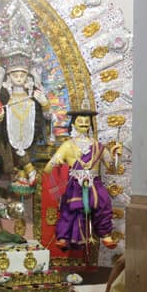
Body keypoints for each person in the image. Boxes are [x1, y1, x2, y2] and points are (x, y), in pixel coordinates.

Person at [43, 105, 122, 249]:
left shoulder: (98, 146)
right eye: (80, 121)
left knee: (103, 201)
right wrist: (57, 162)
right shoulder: (67, 146)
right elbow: (47, 168)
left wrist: (115, 155)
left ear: (91, 125)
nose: (84, 124)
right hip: (76, 185)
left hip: (95, 183)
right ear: (73, 124)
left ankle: (105, 234)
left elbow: (112, 168)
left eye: (87, 121)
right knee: (70, 208)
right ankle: (64, 237)